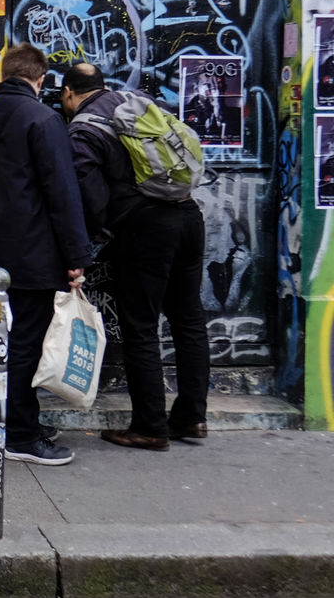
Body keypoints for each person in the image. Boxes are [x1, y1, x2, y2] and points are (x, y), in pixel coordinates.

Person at [61, 62, 209, 450]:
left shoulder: (83, 128)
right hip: (188, 215)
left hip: (146, 227)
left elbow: (89, 194)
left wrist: (98, 233)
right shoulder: (138, 99)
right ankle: (192, 417)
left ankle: (150, 427)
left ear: (69, 93)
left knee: (141, 325)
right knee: (189, 318)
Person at [0, 43, 90, 466]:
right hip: (36, 252)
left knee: (7, 341)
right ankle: (20, 436)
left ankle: (12, 425)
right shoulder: (43, 118)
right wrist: (76, 254)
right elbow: (63, 192)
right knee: (26, 345)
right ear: (40, 79)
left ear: (6, 74)